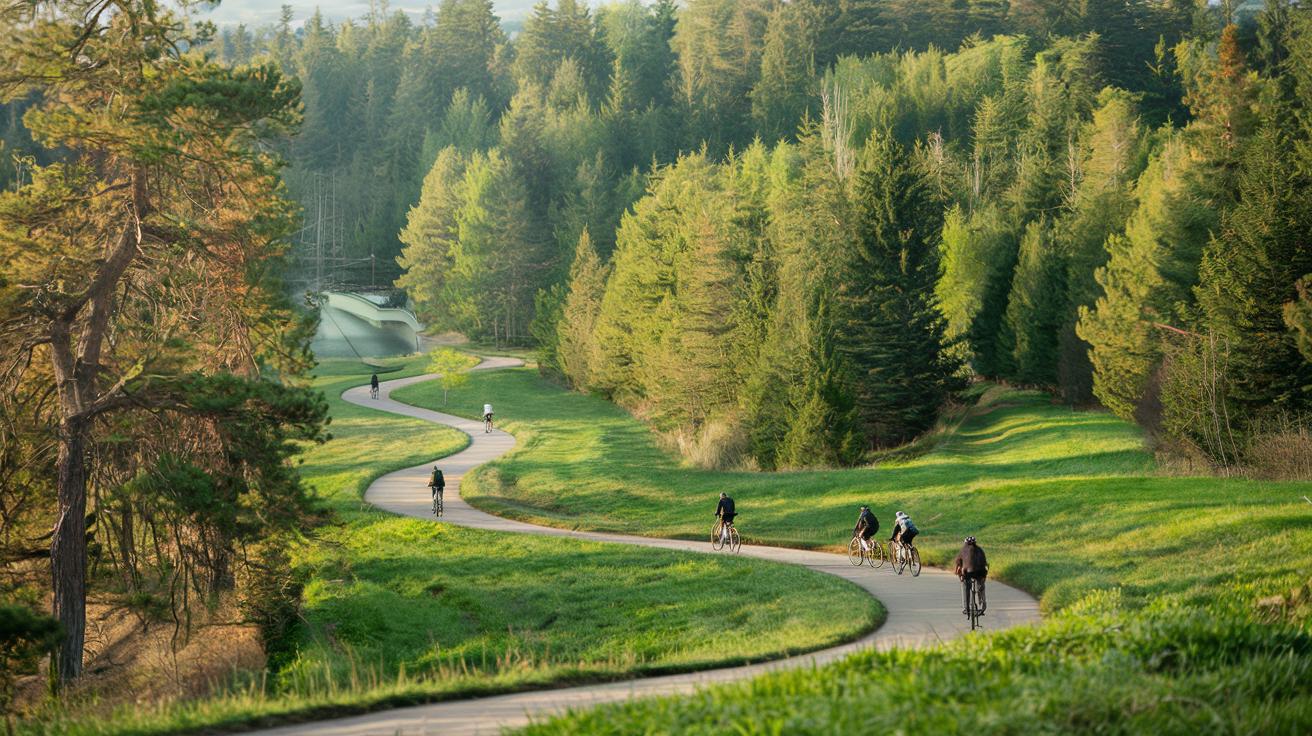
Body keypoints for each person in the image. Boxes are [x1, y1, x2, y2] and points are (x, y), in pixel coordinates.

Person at [954, 536, 988, 616]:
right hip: (980, 572)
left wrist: (960, 577)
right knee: (981, 587)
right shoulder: (980, 550)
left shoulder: (963, 550)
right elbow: (985, 563)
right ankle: (982, 607)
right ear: (975, 543)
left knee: (965, 586)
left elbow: (958, 565)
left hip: (968, 572)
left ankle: (966, 608)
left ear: (965, 543)